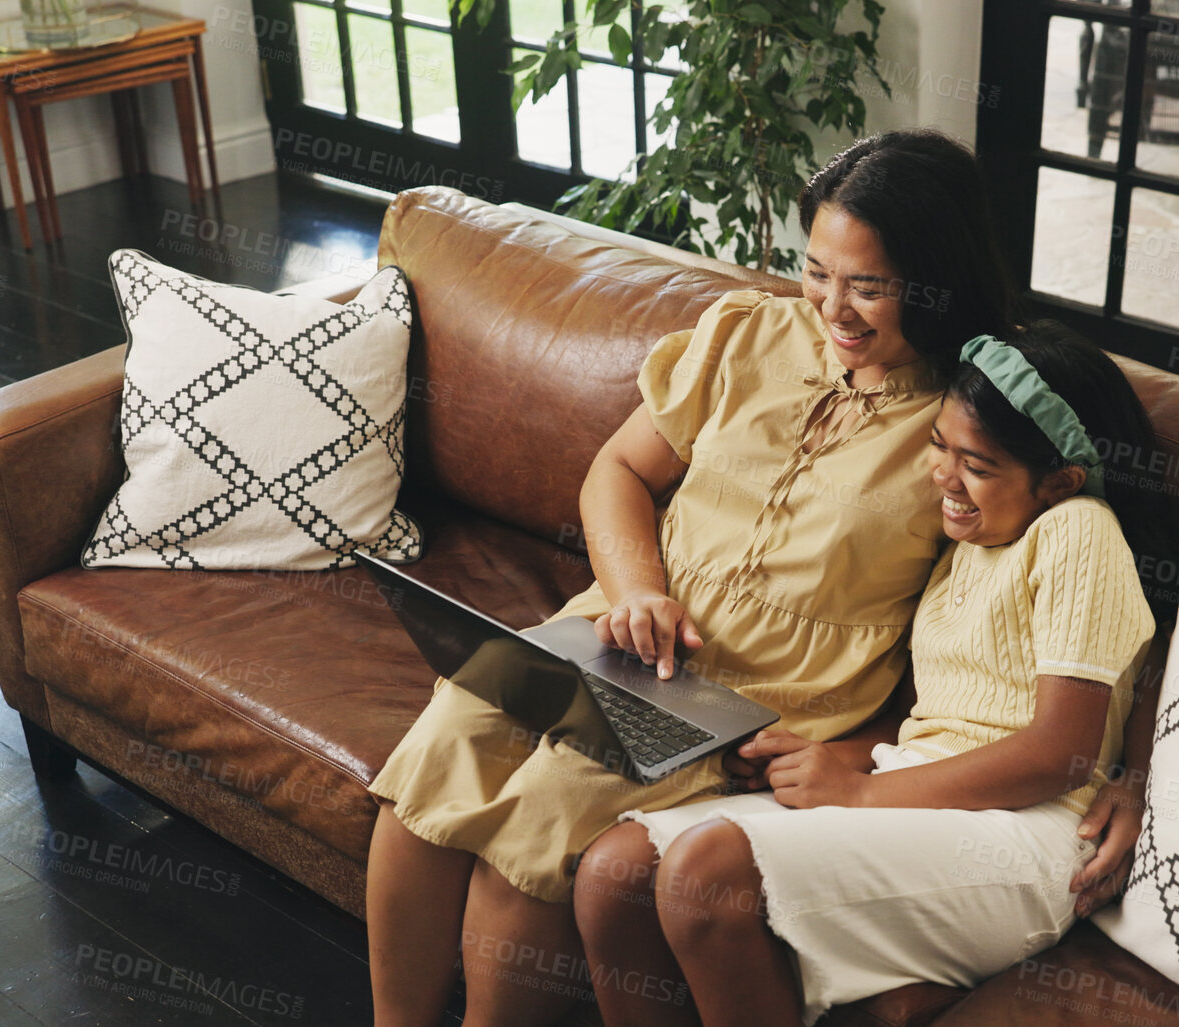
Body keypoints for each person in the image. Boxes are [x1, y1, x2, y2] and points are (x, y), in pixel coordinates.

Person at [363, 128, 1020, 1027]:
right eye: (817, 270)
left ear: (939, 280)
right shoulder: (747, 332)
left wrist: (864, 748)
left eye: (869, 284)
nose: (834, 306)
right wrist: (635, 590)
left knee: (539, 823)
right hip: (618, 632)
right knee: (436, 754)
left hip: (751, 697)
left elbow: (982, 630)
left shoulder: (969, 426)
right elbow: (618, 473)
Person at [575, 321, 1177, 1027]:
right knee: (613, 874)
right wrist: (832, 756)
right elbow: (934, 715)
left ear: (1059, 481)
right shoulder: (966, 541)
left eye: (976, 465)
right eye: (937, 445)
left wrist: (860, 792)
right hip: (910, 781)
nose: (943, 478)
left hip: (1026, 829)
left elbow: (1058, 751)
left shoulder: (1075, 529)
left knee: (706, 872)